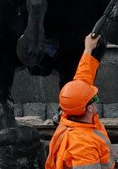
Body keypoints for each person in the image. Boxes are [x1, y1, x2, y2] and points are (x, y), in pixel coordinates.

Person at [45, 33, 114, 169]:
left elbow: (82, 77)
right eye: (95, 98)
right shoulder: (83, 146)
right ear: (89, 108)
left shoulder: (68, 116)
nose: (96, 100)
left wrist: (88, 48)